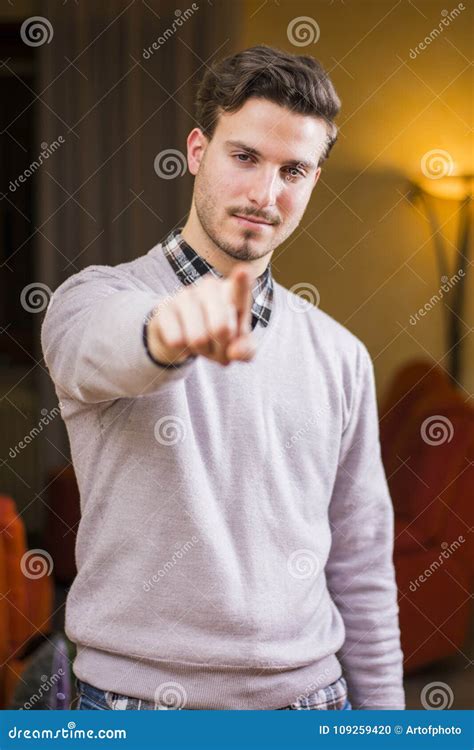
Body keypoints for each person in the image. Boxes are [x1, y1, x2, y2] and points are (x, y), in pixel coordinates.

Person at [41, 45, 405, 711]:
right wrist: (169, 332)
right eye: (245, 157)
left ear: (314, 180)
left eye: (292, 169)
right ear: (197, 150)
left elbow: (361, 562)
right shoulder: (91, 300)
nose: (266, 194)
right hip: (137, 709)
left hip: (312, 704)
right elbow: (99, 344)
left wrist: (383, 723)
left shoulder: (342, 355)